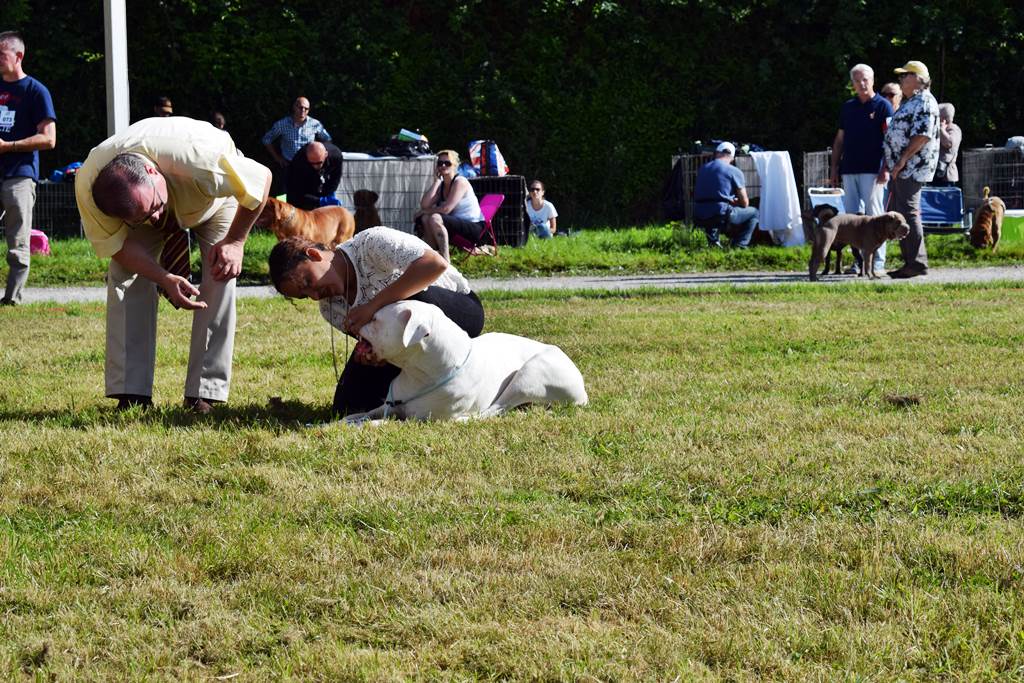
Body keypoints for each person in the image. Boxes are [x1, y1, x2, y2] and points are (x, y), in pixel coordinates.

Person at [74, 117, 272, 412]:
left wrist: (235, 242)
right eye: (142, 217)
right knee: (125, 274)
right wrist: (163, 276)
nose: (155, 218)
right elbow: (116, 246)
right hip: (147, 195)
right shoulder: (89, 184)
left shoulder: (201, 160)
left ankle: (204, 392)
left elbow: (261, 180)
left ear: (153, 172)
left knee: (221, 271)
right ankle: (132, 392)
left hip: (212, 202)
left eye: (153, 207)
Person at [268, 226, 485, 416]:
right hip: (410, 343)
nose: (315, 295)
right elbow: (380, 339)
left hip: (459, 311)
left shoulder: (370, 243)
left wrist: (372, 306)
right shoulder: (329, 309)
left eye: (308, 281)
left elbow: (434, 264)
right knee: (347, 407)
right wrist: (373, 352)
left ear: (314, 255)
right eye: (305, 296)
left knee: (411, 301)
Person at [0, 31, 56, 307]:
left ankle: (12, 299)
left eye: (1, 54)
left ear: (18, 56)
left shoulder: (36, 91)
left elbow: (49, 138)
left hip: (19, 174)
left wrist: (8, 146)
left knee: (17, 241)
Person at [829, 63, 894, 274]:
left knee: (875, 215)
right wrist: (834, 168)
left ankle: (877, 262)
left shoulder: (884, 106)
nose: (862, 83)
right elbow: (840, 139)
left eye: (865, 79)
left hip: (874, 170)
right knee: (852, 219)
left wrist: (886, 167)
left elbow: (891, 140)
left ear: (873, 80)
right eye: (857, 80)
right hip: (849, 169)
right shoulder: (848, 107)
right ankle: (859, 262)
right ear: (852, 84)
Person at [882, 60, 940, 279]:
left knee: (908, 213)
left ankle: (916, 263)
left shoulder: (924, 101)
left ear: (917, 78)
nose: (901, 79)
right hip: (904, 168)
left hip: (911, 168)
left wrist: (901, 161)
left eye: (905, 75)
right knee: (901, 213)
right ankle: (910, 262)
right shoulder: (913, 101)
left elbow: (922, 135)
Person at [415, 149, 485, 262]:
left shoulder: (460, 182)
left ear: (455, 165)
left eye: (447, 163)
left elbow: (446, 209)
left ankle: (445, 260)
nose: (443, 166)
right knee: (425, 218)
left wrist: (424, 211)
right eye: (440, 163)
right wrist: (437, 181)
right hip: (457, 225)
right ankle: (433, 257)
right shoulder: (442, 185)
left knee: (435, 217)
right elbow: (425, 204)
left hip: (475, 229)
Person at [692, 142, 758, 248]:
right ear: (732, 158)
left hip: (698, 214)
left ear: (716, 153)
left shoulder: (702, 169)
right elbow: (745, 203)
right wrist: (734, 201)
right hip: (720, 214)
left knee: (712, 208)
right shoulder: (734, 171)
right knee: (754, 212)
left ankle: (714, 242)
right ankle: (740, 245)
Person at [261, 96, 331, 169]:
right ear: (294, 107)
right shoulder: (282, 124)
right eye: (300, 107)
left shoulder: (315, 124)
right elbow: (266, 139)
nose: (303, 111)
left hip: (309, 166)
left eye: (306, 109)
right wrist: (277, 158)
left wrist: (321, 157)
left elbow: (327, 139)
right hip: (289, 165)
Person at [285, 140, 343, 211]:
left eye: (319, 163)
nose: (316, 166)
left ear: (326, 154)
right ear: (307, 156)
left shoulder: (336, 155)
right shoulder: (298, 162)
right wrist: (319, 201)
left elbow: (335, 178)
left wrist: (329, 193)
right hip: (304, 184)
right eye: (312, 163)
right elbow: (296, 192)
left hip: (322, 179)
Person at [933, 103, 962, 187]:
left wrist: (942, 129)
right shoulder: (936, 128)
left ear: (943, 118)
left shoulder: (953, 129)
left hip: (946, 175)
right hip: (935, 173)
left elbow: (948, 143)